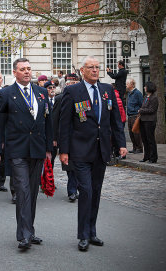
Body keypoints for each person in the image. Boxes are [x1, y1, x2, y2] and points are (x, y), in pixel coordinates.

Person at [59, 56, 127, 252]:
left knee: (95, 192)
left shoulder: (107, 90)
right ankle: (82, 235)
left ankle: (92, 231)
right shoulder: (72, 91)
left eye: (97, 67)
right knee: (86, 191)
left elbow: (115, 121)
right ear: (82, 70)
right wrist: (64, 151)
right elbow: (64, 124)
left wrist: (121, 144)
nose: (95, 70)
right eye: (91, 67)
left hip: (101, 150)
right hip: (80, 150)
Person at [0, 58, 53, 250]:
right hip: (17, 149)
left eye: (29, 68)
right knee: (23, 190)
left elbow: (48, 122)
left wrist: (49, 150)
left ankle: (29, 230)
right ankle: (24, 235)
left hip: (37, 148)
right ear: (15, 72)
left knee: (33, 191)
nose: (27, 72)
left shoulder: (41, 92)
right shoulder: (6, 93)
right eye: (23, 69)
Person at [53, 73, 80, 202]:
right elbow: (55, 120)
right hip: (67, 137)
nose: (72, 85)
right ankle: (72, 191)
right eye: (69, 83)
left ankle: (79, 188)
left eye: (74, 83)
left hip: (81, 138)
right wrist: (54, 138)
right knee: (70, 167)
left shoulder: (82, 97)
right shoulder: (60, 98)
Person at [138, 81, 158, 163]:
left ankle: (153, 157)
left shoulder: (154, 98)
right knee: (144, 139)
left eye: (145, 86)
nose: (144, 88)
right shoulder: (146, 97)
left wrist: (141, 110)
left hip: (150, 121)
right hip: (143, 120)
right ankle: (146, 156)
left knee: (150, 139)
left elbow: (152, 110)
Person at [126, 78, 143, 154]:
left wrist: (138, 113)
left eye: (127, 84)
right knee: (131, 133)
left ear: (132, 84)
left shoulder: (137, 93)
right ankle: (134, 147)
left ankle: (139, 148)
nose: (126, 85)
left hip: (135, 115)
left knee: (136, 133)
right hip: (130, 115)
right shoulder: (129, 93)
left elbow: (141, 104)